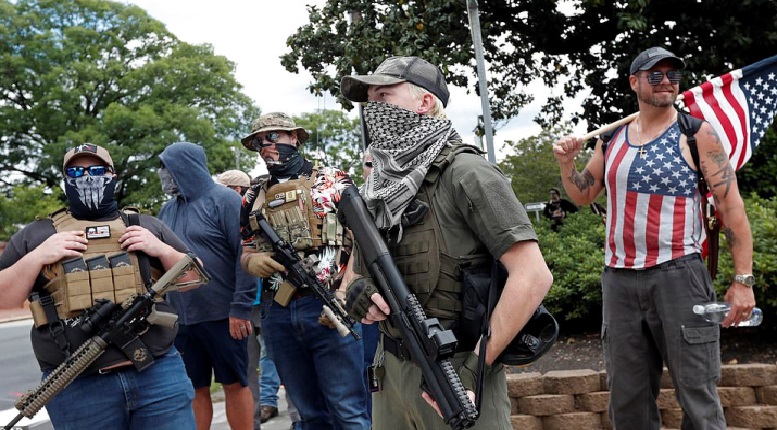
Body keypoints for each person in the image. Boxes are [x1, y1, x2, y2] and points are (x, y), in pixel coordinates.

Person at [339, 56, 553, 429]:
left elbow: (533, 276)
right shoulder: (378, 186)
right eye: (369, 100)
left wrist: (473, 370)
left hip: (455, 373)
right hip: (389, 374)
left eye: (384, 96)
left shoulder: (468, 173)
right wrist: (357, 290)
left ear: (424, 102)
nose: (373, 110)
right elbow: (354, 274)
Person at [551, 46, 756, 429]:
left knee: (698, 396)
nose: (666, 82)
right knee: (627, 401)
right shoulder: (610, 138)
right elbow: (582, 193)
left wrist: (742, 281)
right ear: (634, 82)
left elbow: (732, 211)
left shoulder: (697, 134)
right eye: (655, 75)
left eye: (672, 75)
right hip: (619, 281)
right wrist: (567, 165)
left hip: (679, 276)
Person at [0, 143, 202, 429]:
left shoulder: (144, 225)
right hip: (77, 383)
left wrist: (160, 249)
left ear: (113, 175)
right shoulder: (38, 235)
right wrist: (38, 257)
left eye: (96, 170)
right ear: (65, 178)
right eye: (76, 171)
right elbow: (3, 299)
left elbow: (194, 278)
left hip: (157, 374)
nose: (87, 177)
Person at [239, 112, 370, 429]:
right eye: (259, 142)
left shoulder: (333, 181)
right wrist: (250, 262)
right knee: (309, 414)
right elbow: (245, 246)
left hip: (330, 306)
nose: (266, 147)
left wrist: (344, 289)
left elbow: (366, 238)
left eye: (273, 138)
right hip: (278, 312)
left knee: (349, 411)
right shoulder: (254, 194)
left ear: (294, 138)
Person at [159, 142, 257, 430]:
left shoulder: (225, 200)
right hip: (182, 320)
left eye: (167, 168)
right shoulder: (167, 210)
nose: (163, 175)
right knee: (193, 388)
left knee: (235, 384)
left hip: (224, 316)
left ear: (185, 167)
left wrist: (240, 308)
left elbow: (246, 256)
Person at [217, 169, 263, 430]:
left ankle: (298, 421)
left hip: (269, 302)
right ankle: (252, 423)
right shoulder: (224, 216)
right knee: (245, 372)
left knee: (287, 367)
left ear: (235, 190)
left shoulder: (257, 214)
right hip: (241, 308)